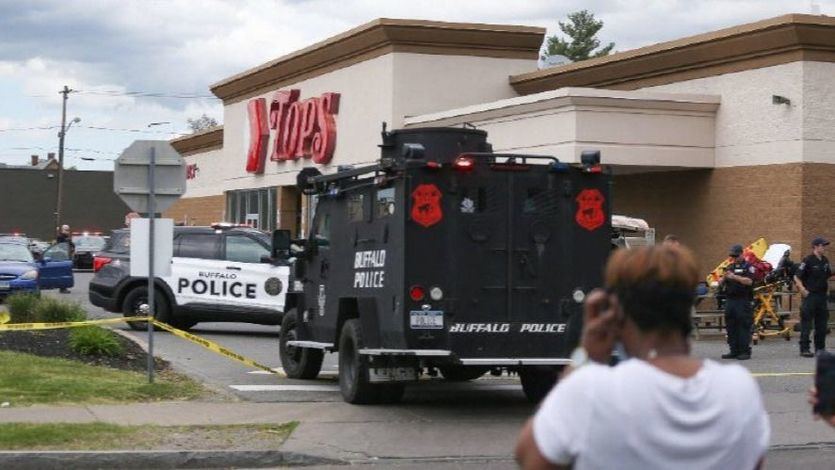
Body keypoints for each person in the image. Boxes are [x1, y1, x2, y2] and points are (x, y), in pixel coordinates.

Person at [515, 246, 769, 469]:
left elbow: (529, 457)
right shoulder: (740, 389)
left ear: (617, 311)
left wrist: (585, 357)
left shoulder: (592, 389)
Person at [795, 237, 832, 357]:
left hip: (821, 297)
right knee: (807, 324)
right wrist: (802, 289)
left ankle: (820, 349)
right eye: (822, 245)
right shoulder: (808, 260)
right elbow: (797, 277)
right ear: (815, 246)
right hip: (810, 296)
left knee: (821, 324)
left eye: (824, 245)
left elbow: (827, 276)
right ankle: (804, 349)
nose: (824, 248)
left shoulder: (825, 260)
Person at [720, 244, 755, 360]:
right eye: (732, 256)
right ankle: (733, 350)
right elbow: (720, 283)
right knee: (731, 325)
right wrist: (723, 278)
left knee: (743, 325)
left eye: (736, 255)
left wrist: (734, 277)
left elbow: (749, 281)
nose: (734, 258)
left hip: (742, 300)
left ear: (742, 254)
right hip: (730, 300)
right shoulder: (729, 267)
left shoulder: (748, 267)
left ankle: (744, 351)